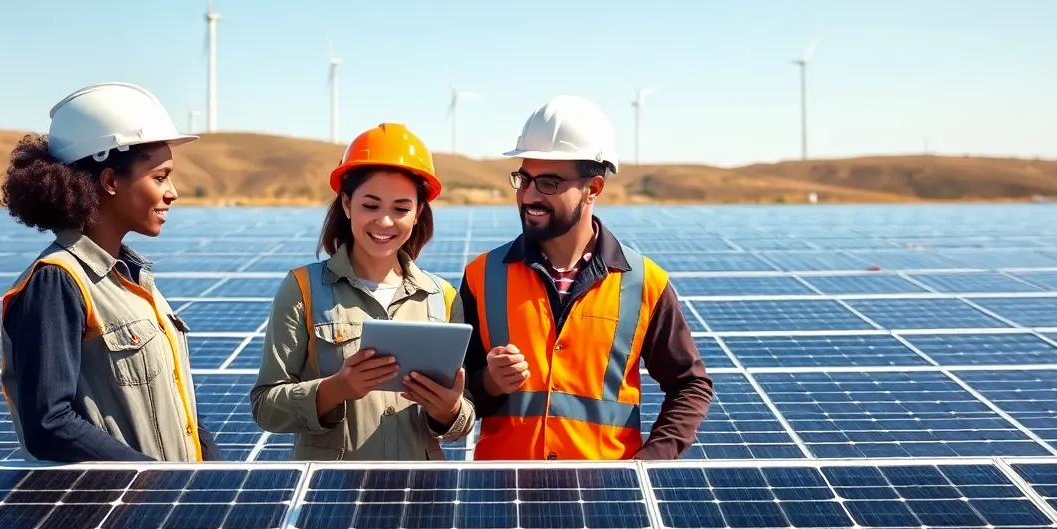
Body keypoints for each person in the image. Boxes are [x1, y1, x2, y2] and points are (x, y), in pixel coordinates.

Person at [461, 95, 714, 460]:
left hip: (605, 500)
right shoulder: (481, 276)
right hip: (505, 497)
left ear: (593, 188)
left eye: (548, 182)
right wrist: (487, 383)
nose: (529, 194)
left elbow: (690, 385)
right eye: (523, 178)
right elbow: (454, 399)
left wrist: (650, 464)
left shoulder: (645, 282)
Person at [0, 82, 224, 462]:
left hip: (168, 507)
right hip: (122, 512)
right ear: (109, 181)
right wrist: (153, 480)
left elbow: (178, 403)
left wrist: (211, 476)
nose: (173, 192)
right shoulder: (57, 281)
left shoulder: (134, 278)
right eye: (160, 176)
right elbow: (50, 424)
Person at [250, 123, 475, 460]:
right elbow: (265, 406)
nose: (385, 222)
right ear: (346, 204)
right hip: (330, 498)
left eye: (401, 209)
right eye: (371, 205)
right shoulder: (302, 290)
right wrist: (333, 390)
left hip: (419, 494)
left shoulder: (441, 296)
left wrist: (449, 410)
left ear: (418, 214)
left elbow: (462, 418)